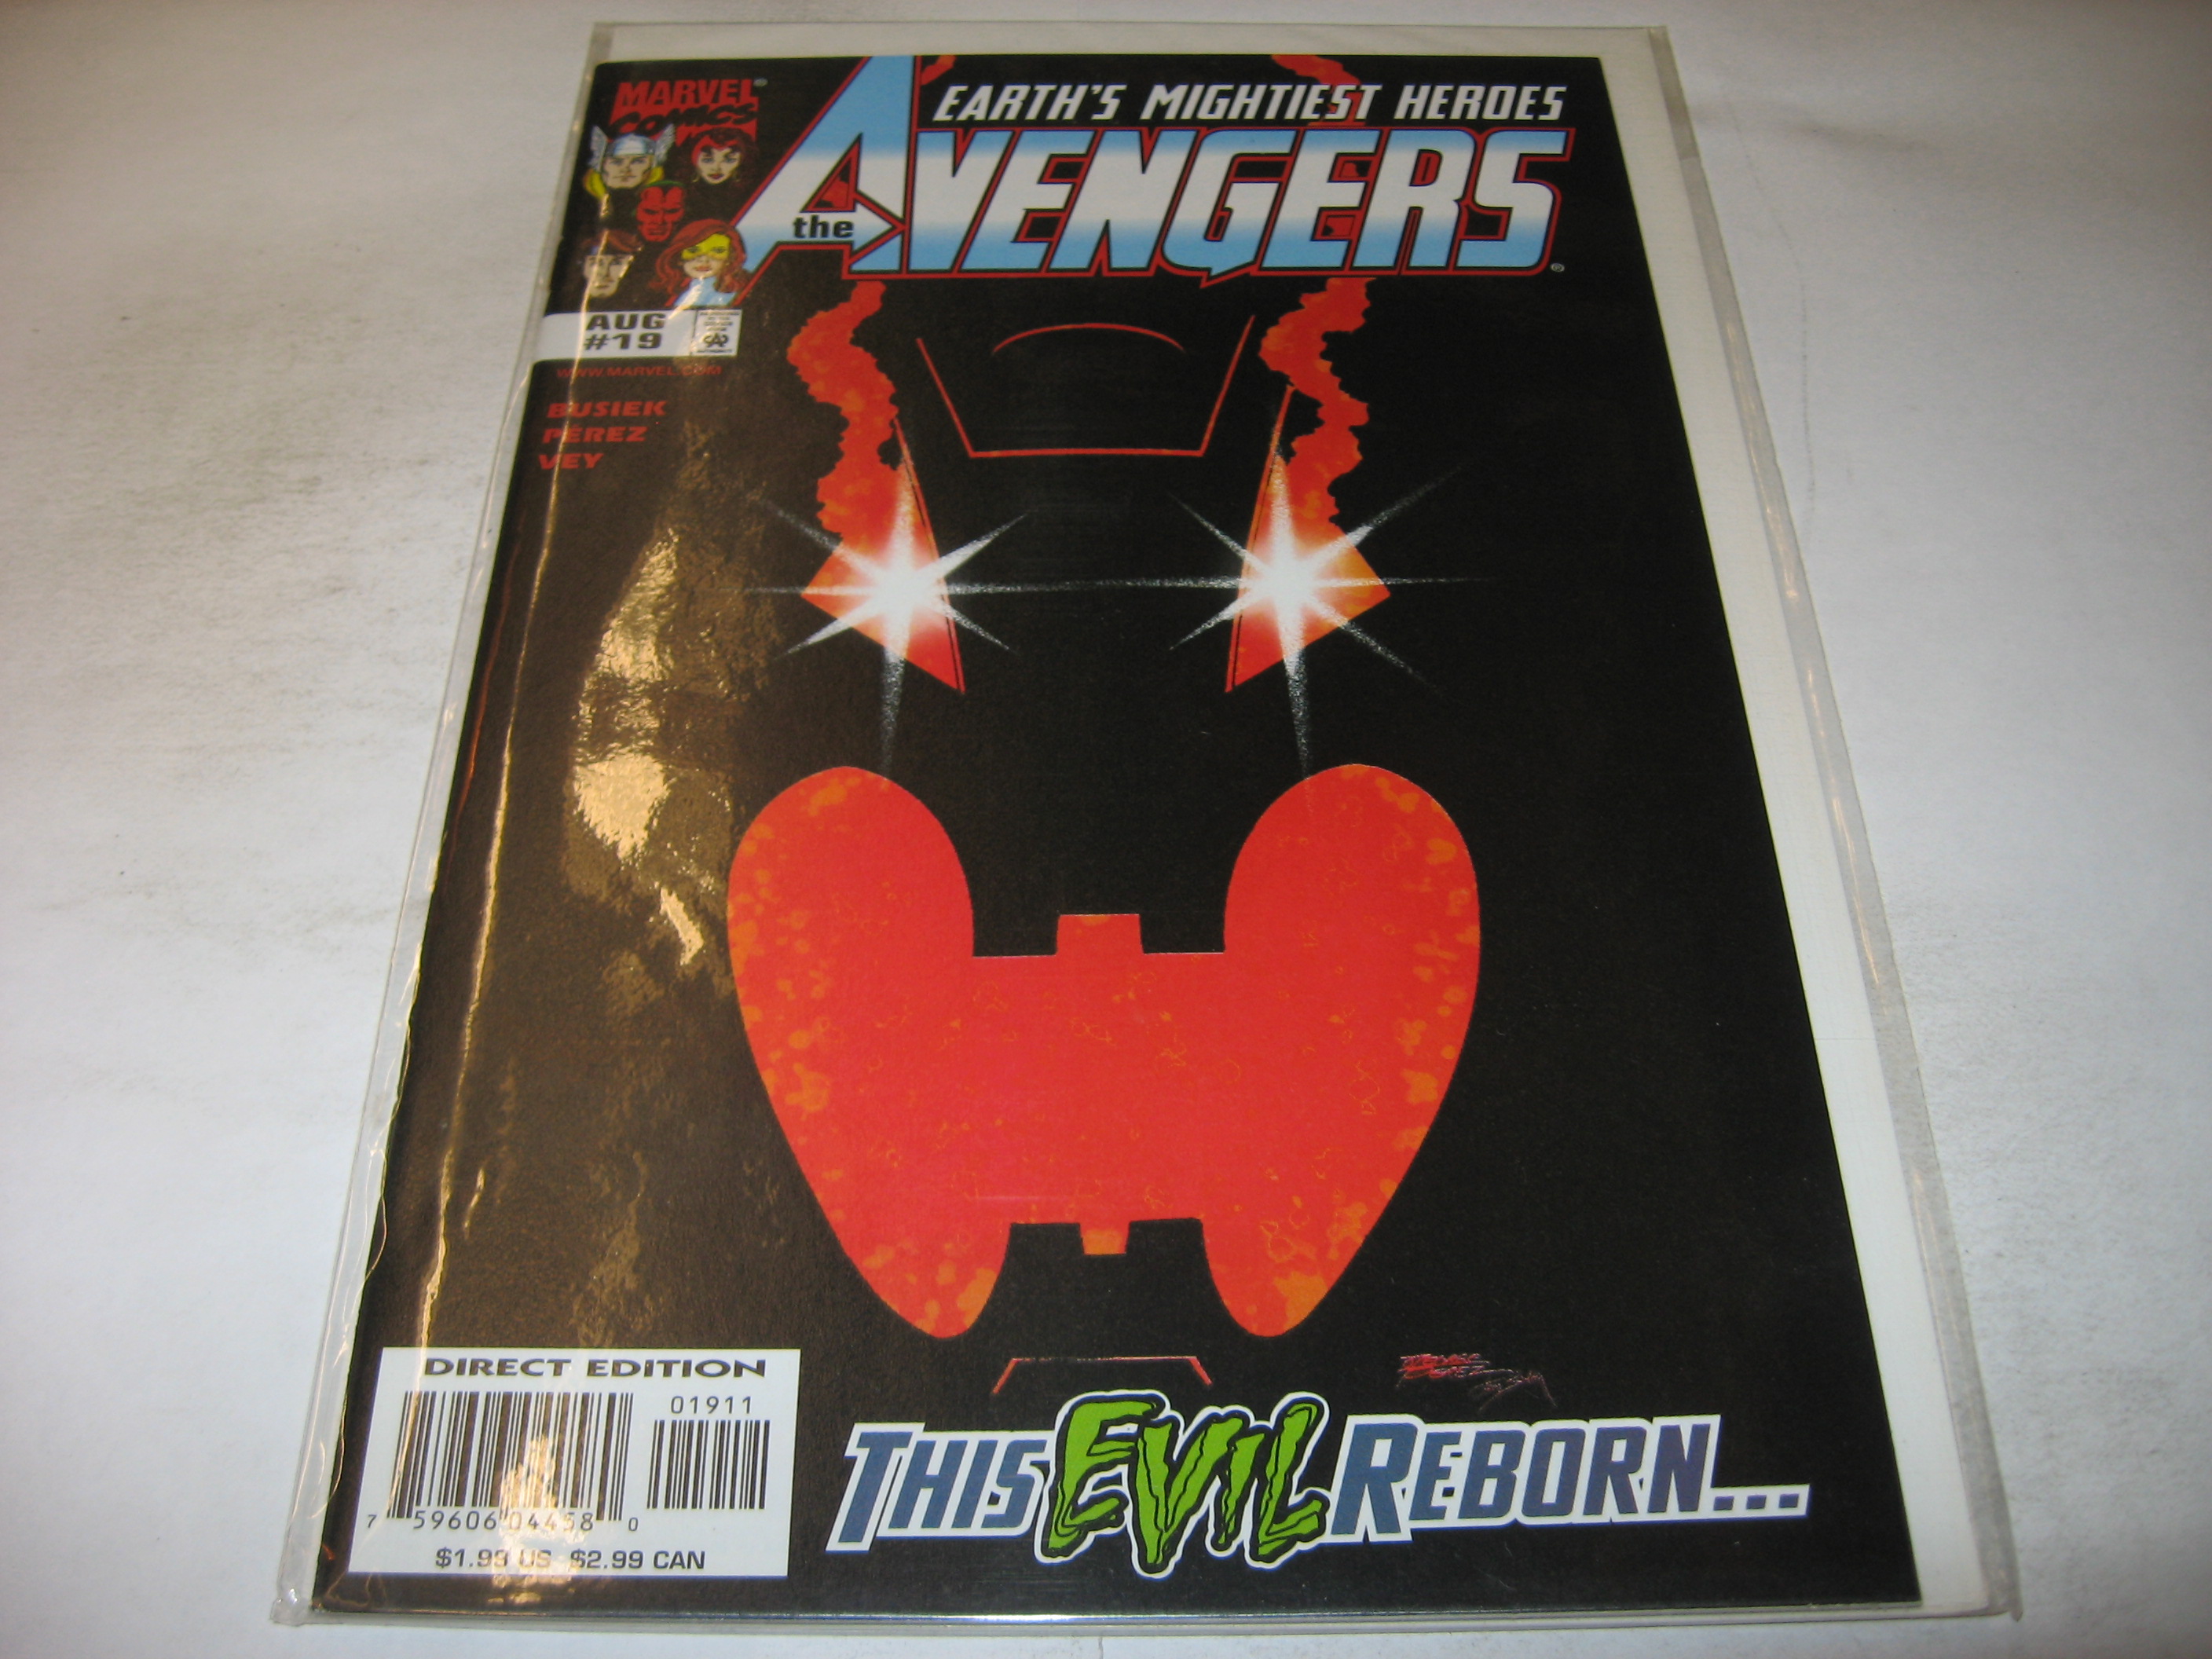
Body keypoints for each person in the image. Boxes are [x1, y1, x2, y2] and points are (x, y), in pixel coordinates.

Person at [652, 222, 745, 310]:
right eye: (693, 251)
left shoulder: (737, 292)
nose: (704, 260)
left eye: (717, 251)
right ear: (678, 256)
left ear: (730, 257)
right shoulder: (663, 295)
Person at [682, 119, 755, 221]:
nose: (716, 168)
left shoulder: (749, 196)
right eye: (708, 160)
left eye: (729, 160)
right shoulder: (682, 196)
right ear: (694, 162)